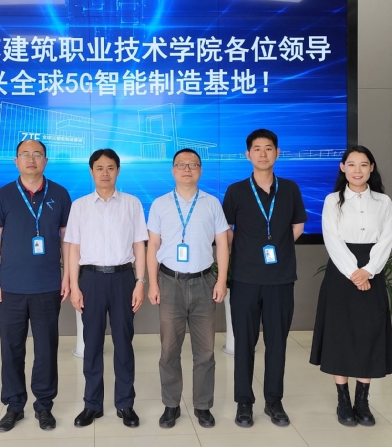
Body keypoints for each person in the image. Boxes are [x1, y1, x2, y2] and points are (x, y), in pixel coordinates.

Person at [0, 139, 72, 432]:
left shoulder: (59, 193)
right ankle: (14, 406)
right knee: (11, 349)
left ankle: (44, 405)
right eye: (25, 154)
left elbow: (67, 240)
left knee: (46, 349)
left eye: (37, 154)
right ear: (16, 160)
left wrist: (67, 276)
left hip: (47, 285)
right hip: (10, 287)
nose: (31, 159)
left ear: (46, 160)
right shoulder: (3, 195)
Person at [222, 129, 307, 428]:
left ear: (277, 153)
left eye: (268, 148)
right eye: (256, 149)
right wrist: (246, 250)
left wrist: (278, 248)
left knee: (277, 343)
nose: (262, 153)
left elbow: (297, 226)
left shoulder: (290, 189)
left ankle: (274, 401)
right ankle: (244, 403)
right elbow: (226, 230)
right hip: (244, 279)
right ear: (248, 155)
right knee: (244, 343)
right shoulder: (236, 190)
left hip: (280, 279)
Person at [310, 146, 392, 427]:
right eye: (351, 164)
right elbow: (332, 239)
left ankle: (363, 402)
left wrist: (369, 270)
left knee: (368, 334)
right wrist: (353, 273)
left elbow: (387, 238)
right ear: (342, 167)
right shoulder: (332, 200)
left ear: (371, 168)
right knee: (341, 335)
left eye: (363, 164)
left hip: (373, 270)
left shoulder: (383, 202)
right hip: (341, 273)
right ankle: (343, 401)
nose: (357, 170)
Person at [146, 148, 230, 429]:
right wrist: (152, 282)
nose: (187, 169)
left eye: (193, 164)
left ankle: (203, 406)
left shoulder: (212, 203)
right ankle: (171, 405)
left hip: (204, 282)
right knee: (169, 350)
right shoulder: (159, 204)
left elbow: (222, 244)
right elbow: (153, 245)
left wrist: (221, 280)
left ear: (200, 170)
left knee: (205, 352)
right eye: (181, 165)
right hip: (170, 283)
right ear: (173, 170)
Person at [66, 149, 148, 428]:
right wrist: (74, 285)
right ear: (91, 172)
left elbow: (139, 246)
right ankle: (92, 404)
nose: (105, 173)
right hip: (91, 280)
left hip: (124, 278)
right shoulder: (80, 206)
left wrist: (140, 282)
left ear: (118, 171)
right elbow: (73, 248)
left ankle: (125, 403)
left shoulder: (132, 203)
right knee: (92, 344)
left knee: (124, 343)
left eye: (110, 167)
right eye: (99, 168)